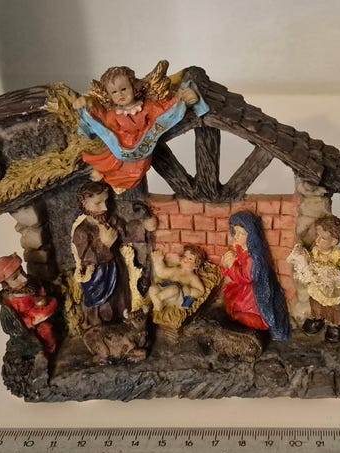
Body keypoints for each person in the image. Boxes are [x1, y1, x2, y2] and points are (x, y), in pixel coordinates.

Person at [75, 61, 209, 193]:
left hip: (141, 148)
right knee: (109, 161)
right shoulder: (112, 114)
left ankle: (117, 180)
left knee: (134, 170)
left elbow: (164, 110)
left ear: (134, 87)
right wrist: (86, 104)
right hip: (119, 149)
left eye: (124, 89)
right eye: (114, 92)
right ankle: (105, 174)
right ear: (109, 96)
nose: (120, 94)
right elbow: (102, 123)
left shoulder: (147, 107)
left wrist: (181, 98)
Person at [220, 211, 290, 341]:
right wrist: (225, 265)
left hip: (251, 294)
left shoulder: (254, 257)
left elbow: (245, 277)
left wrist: (231, 266)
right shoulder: (240, 249)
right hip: (240, 289)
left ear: (251, 235)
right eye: (235, 232)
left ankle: (250, 322)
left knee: (240, 311)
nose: (236, 236)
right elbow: (234, 272)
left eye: (241, 233)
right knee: (231, 306)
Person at [71, 181, 129, 326]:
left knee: (119, 300)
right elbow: (87, 259)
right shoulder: (81, 232)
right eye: (98, 203)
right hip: (97, 276)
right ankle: (99, 327)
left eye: (106, 201)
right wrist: (105, 245)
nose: (104, 208)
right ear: (84, 204)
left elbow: (127, 235)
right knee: (102, 307)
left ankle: (121, 323)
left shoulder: (112, 220)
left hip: (115, 270)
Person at [300, 215, 340, 342]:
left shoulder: (339, 257)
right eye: (317, 235)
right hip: (319, 285)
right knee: (316, 302)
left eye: (323, 238)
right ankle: (318, 318)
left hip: (333, 288)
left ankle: (336, 325)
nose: (317, 240)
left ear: (334, 242)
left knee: (336, 308)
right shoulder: (316, 251)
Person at [0, 253, 58, 354]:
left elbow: (42, 293)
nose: (24, 278)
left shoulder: (31, 285)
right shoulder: (12, 302)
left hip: (46, 312)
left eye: (22, 271)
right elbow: (20, 322)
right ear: (6, 284)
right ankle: (47, 352)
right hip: (33, 329)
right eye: (15, 278)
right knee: (45, 331)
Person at [148, 245, 206, 311]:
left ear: (196, 266)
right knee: (152, 288)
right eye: (184, 256)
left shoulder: (193, 277)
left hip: (177, 296)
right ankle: (159, 304)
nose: (185, 259)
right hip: (166, 290)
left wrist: (190, 291)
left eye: (190, 259)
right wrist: (158, 262)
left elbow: (201, 291)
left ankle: (158, 298)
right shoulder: (175, 269)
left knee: (174, 289)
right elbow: (162, 273)